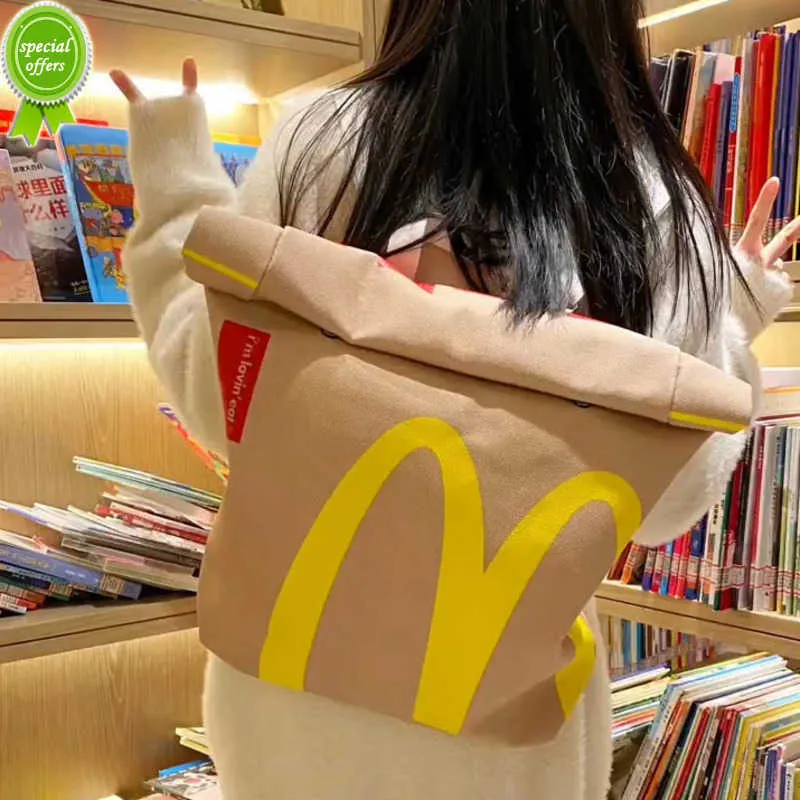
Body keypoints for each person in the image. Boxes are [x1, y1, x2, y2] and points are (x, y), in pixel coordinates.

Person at [113, 1, 800, 797]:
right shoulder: (644, 195)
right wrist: (732, 318)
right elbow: (666, 504)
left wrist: (173, 182)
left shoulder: (318, 138)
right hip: (506, 729)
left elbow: (219, 397)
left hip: (290, 698)